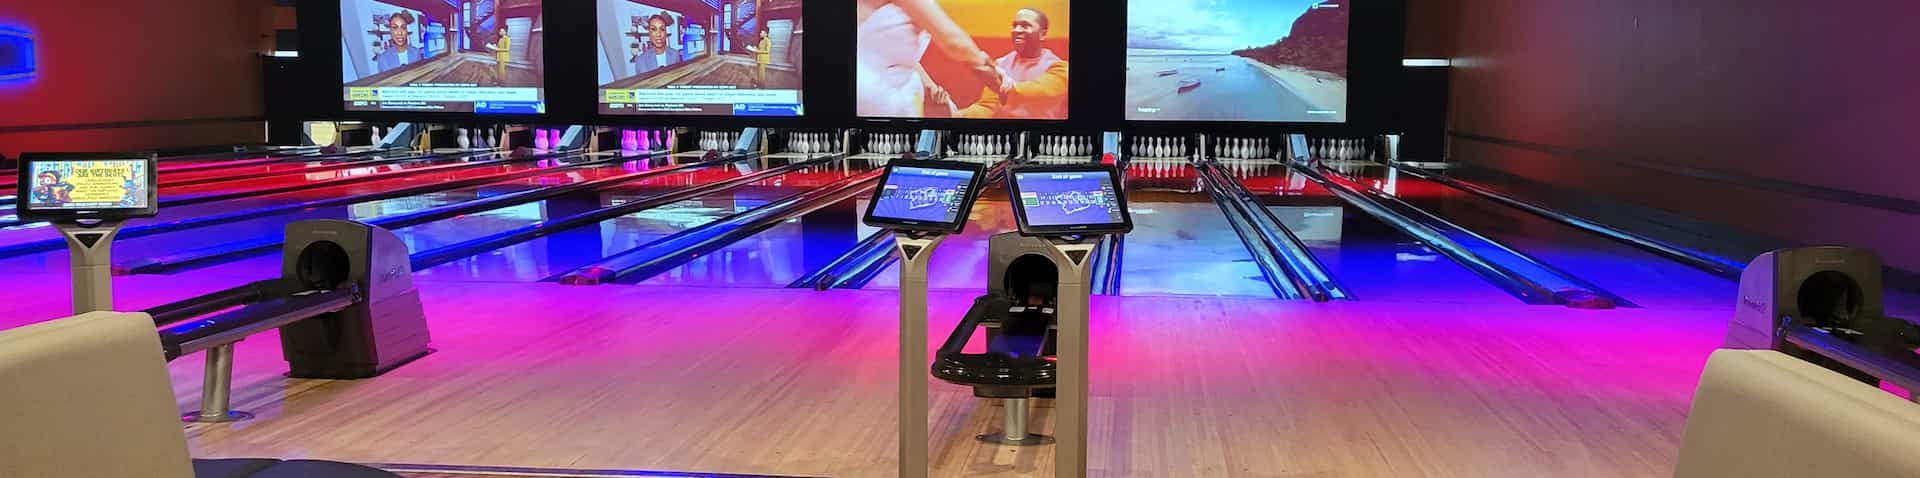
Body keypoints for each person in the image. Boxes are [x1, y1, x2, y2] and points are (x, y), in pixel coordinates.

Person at [854, 0, 1004, 118]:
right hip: (870, 89)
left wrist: (930, 85)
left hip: (874, 88)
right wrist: (988, 69)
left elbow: (899, 57)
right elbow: (954, 42)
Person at [944, 8, 1068, 119]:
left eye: (1025, 26)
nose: (1017, 30)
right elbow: (988, 107)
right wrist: (958, 115)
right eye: (1015, 25)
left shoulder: (1060, 69)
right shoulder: (1001, 64)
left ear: (1042, 34)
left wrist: (997, 83)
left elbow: (1032, 92)